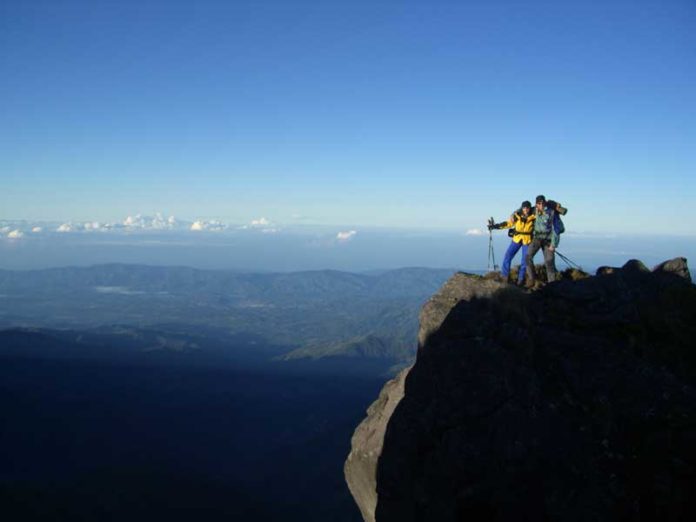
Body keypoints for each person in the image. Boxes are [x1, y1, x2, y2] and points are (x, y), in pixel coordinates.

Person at [488, 200, 536, 285]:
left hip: (527, 240)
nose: (525, 209)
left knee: (524, 261)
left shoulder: (533, 217)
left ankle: (521, 280)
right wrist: (495, 226)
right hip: (517, 239)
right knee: (508, 256)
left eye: (527, 208)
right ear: (522, 208)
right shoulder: (516, 216)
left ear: (529, 208)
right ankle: (505, 277)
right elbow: (508, 224)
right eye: (524, 208)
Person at [525, 195, 567, 285]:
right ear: (536, 204)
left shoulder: (551, 212)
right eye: (539, 203)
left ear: (545, 202)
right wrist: (513, 214)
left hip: (548, 240)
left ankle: (552, 284)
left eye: (542, 203)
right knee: (528, 257)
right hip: (537, 238)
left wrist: (553, 244)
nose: (541, 205)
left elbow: (557, 228)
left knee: (549, 262)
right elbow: (522, 210)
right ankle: (532, 280)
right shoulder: (534, 210)